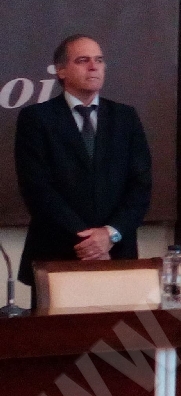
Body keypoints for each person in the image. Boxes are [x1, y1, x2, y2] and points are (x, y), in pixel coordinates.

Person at [15, 34, 152, 300]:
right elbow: (37, 189)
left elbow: (140, 186)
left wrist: (109, 235)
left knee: (116, 328)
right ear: (61, 70)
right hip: (57, 255)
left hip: (116, 254)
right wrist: (89, 242)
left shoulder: (125, 117)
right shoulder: (37, 119)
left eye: (99, 60)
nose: (93, 67)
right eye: (83, 60)